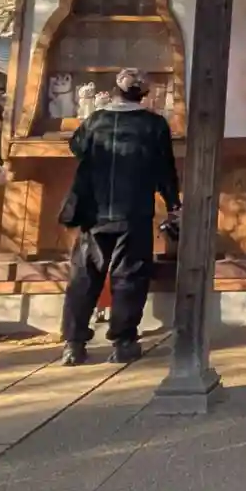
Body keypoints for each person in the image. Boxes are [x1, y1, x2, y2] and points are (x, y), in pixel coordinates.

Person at [59, 69, 179, 366]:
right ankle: (123, 341)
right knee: (129, 275)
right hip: (133, 210)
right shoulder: (153, 124)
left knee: (85, 275)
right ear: (144, 94)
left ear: (116, 90)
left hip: (94, 211)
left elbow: (76, 147)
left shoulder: (96, 120)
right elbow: (165, 169)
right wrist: (173, 203)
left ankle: (74, 343)